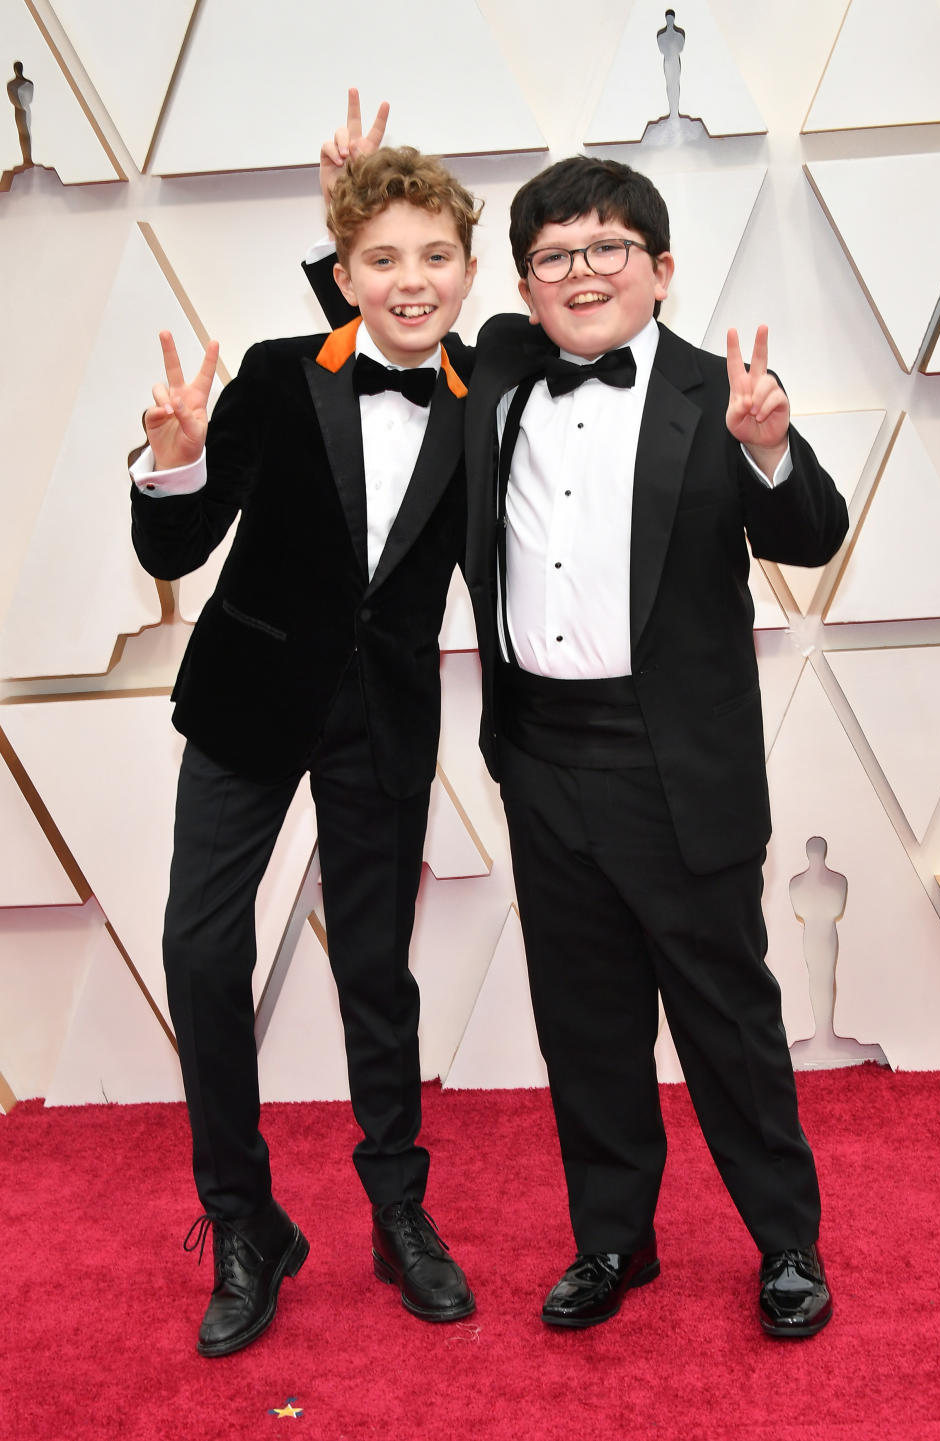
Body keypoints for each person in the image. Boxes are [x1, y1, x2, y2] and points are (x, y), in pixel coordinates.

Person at [313, 116, 847, 1339]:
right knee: (584, 1019)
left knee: (728, 1019)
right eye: (554, 255)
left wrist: (771, 452)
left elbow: (811, 533)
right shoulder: (495, 364)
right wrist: (346, 211)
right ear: (521, 286)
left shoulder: (724, 392)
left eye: (611, 247)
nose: (584, 271)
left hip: (679, 765)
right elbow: (383, 321)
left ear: (661, 267)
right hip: (542, 757)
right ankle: (613, 1241)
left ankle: (786, 1243)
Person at [130, 134, 481, 1357]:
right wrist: (173, 464)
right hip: (248, 700)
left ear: (470, 269)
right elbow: (176, 554)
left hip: (382, 716)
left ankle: (398, 1211)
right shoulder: (279, 377)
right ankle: (245, 1223)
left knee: (376, 972)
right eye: (380, 257)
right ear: (340, 272)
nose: (410, 277)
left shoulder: (486, 397)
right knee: (198, 949)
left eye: (435, 255)